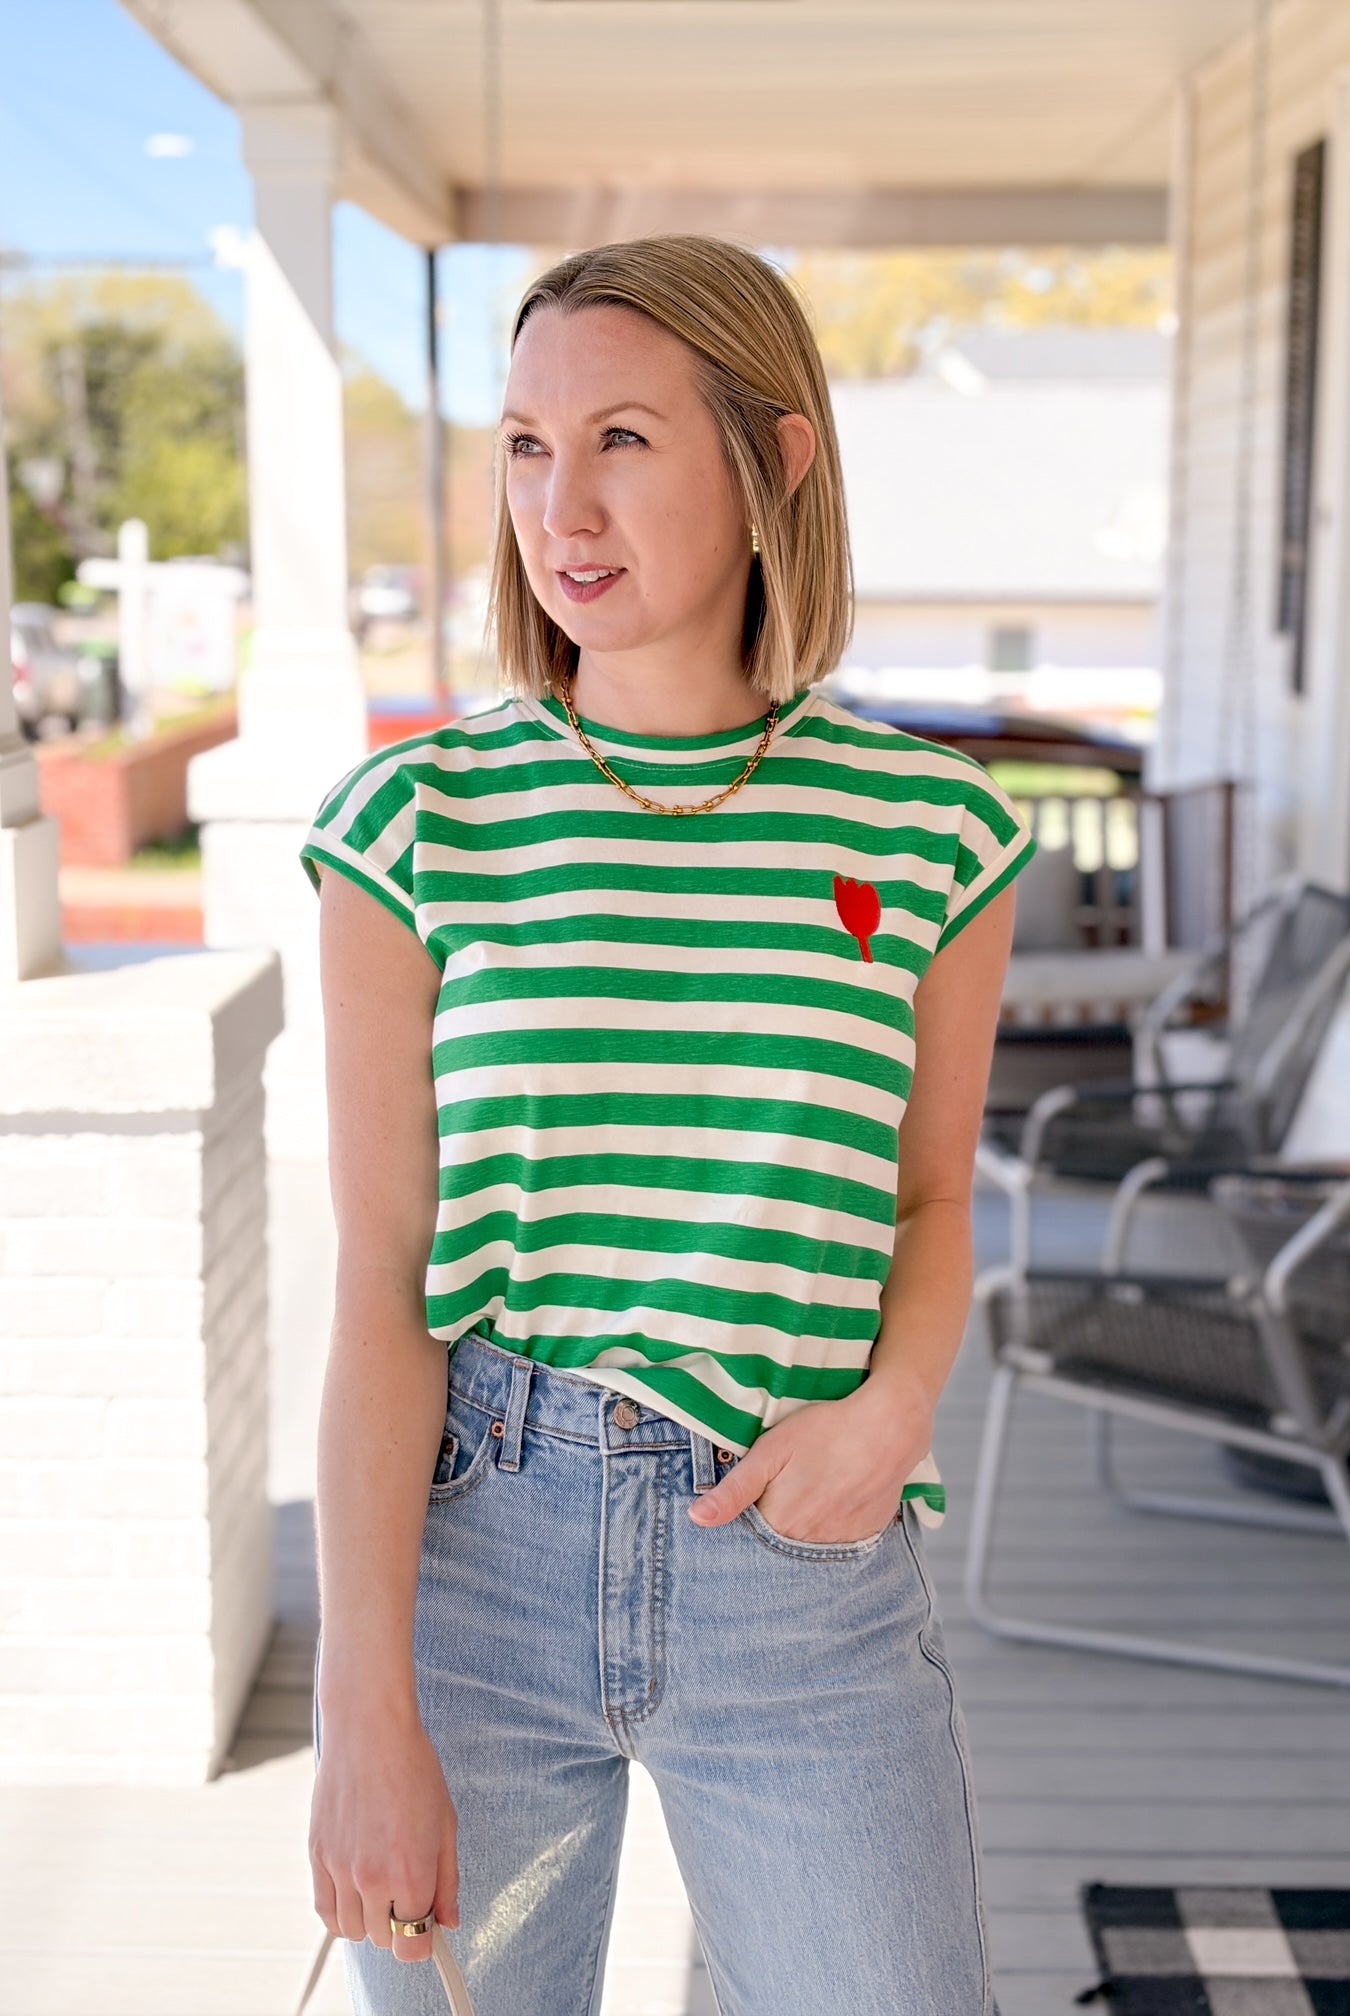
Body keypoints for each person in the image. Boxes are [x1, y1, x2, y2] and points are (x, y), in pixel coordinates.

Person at [299, 234, 1036, 2016]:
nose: (564, 505)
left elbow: (934, 1201)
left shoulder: (930, 825)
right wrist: (359, 1707)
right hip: (475, 1546)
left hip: (797, 1560)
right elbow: (382, 1278)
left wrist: (891, 1412)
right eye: (527, 446)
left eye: (623, 437)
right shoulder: (419, 820)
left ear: (772, 457)